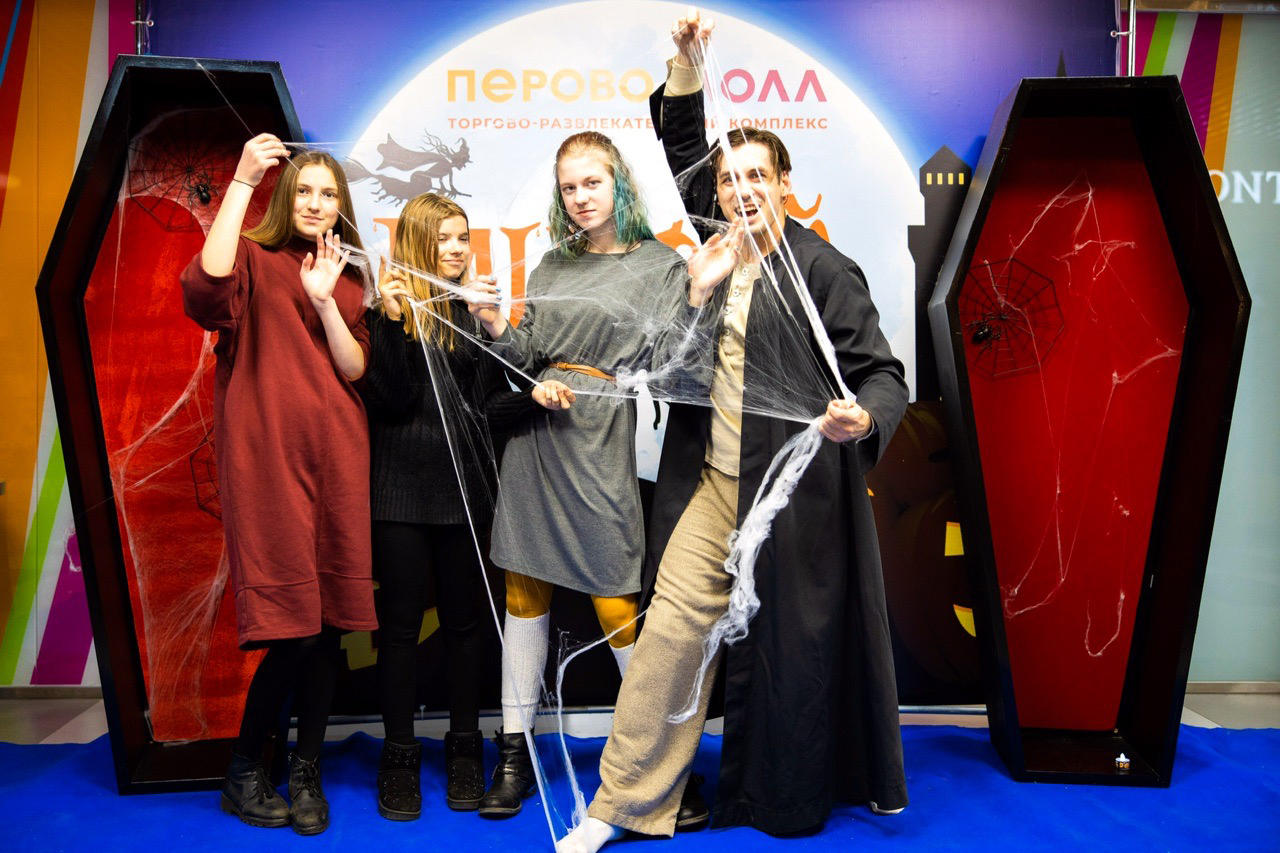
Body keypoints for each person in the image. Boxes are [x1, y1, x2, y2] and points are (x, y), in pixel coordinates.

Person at [559, 11, 910, 851]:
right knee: (666, 640)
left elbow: (883, 375)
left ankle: (782, 798)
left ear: (784, 183)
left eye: (757, 175)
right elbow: (684, 141)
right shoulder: (716, 247)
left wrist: (864, 417)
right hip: (713, 490)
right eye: (728, 180)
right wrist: (685, 65)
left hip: (791, 501)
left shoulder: (824, 269)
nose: (741, 190)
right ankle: (620, 804)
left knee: (789, 658)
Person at [465, 131, 740, 818]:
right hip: (536, 437)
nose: (580, 197)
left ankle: (656, 761)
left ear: (619, 184)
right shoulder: (551, 264)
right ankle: (514, 754)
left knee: (618, 603)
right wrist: (496, 325)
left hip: (599, 439)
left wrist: (699, 293)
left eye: (592, 182)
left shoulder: (660, 264)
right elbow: (527, 353)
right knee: (524, 596)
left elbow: (682, 361)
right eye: (569, 187)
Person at [181, 135, 378, 835]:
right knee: (293, 627)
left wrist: (324, 302)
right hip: (269, 466)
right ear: (285, 196)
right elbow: (203, 291)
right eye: (304, 191)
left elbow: (355, 368)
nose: (316, 204)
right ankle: (244, 767)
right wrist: (241, 180)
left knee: (326, 627)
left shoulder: (346, 274)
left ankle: (306, 769)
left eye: (329, 193)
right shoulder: (251, 259)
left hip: (339, 461)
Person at [363, 193, 538, 819]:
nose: (458, 249)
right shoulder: (384, 313)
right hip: (399, 496)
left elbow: (486, 410)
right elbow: (389, 399)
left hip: (466, 493)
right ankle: (399, 755)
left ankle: (465, 749)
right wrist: (391, 321)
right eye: (444, 238)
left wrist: (537, 396)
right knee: (400, 632)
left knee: (466, 627)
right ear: (416, 243)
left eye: (463, 236)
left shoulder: (473, 313)